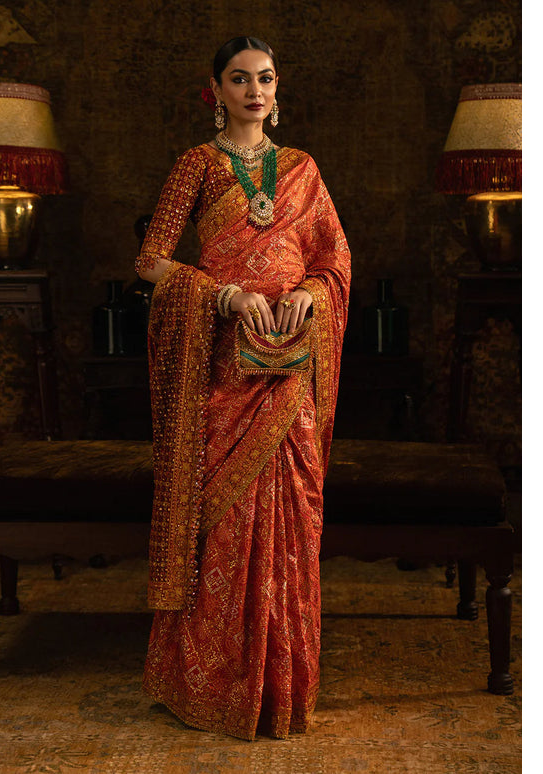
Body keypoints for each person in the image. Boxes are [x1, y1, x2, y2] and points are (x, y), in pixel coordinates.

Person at [136, 36, 351, 741]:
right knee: (222, 525)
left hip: (288, 371)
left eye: (264, 78)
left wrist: (314, 294)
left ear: (275, 88)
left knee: (289, 517)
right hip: (222, 366)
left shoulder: (302, 169)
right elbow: (150, 263)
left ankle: (279, 686)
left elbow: (334, 259)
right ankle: (213, 683)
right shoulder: (195, 166)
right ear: (216, 89)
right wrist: (221, 295)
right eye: (239, 79)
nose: (253, 90)